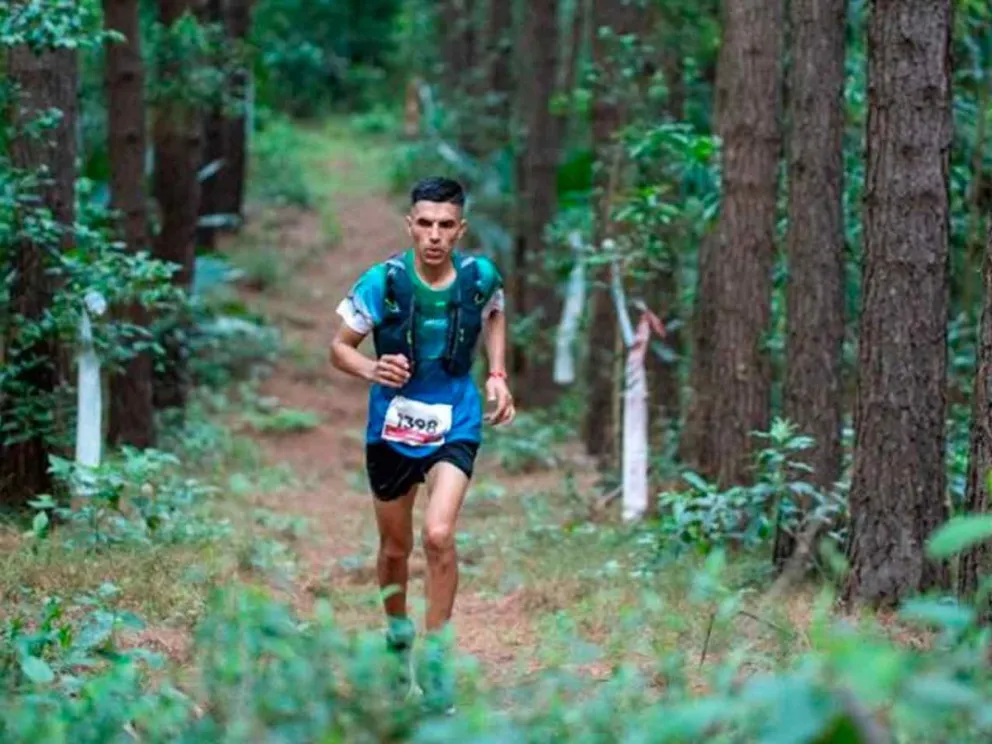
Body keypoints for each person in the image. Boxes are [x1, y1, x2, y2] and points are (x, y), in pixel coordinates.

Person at [329, 176, 514, 713]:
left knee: (438, 533)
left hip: (454, 416)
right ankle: (396, 634)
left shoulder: (479, 277)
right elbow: (339, 348)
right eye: (425, 224)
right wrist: (371, 366)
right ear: (410, 224)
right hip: (393, 424)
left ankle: (437, 658)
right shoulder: (382, 282)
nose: (435, 235)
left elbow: (494, 311)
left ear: (461, 229)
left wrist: (497, 373)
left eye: (446, 225)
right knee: (394, 548)